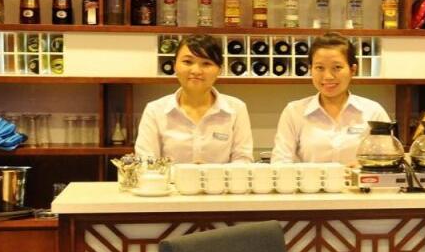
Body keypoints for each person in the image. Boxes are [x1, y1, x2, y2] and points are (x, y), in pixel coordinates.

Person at [271, 33, 390, 164]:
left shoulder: (373, 112)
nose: (328, 76)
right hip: (310, 179)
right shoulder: (294, 111)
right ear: (310, 69)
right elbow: (280, 163)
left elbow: (388, 162)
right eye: (319, 68)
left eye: (337, 67)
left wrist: (364, 167)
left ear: (353, 70)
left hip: (359, 178)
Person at [135, 34, 253, 163]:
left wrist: (210, 172)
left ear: (220, 70)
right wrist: (186, 172)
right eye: (187, 62)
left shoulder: (236, 109)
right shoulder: (155, 110)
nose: (196, 71)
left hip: (220, 178)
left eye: (206, 63)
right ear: (174, 66)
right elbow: (146, 162)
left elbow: (243, 160)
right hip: (169, 178)